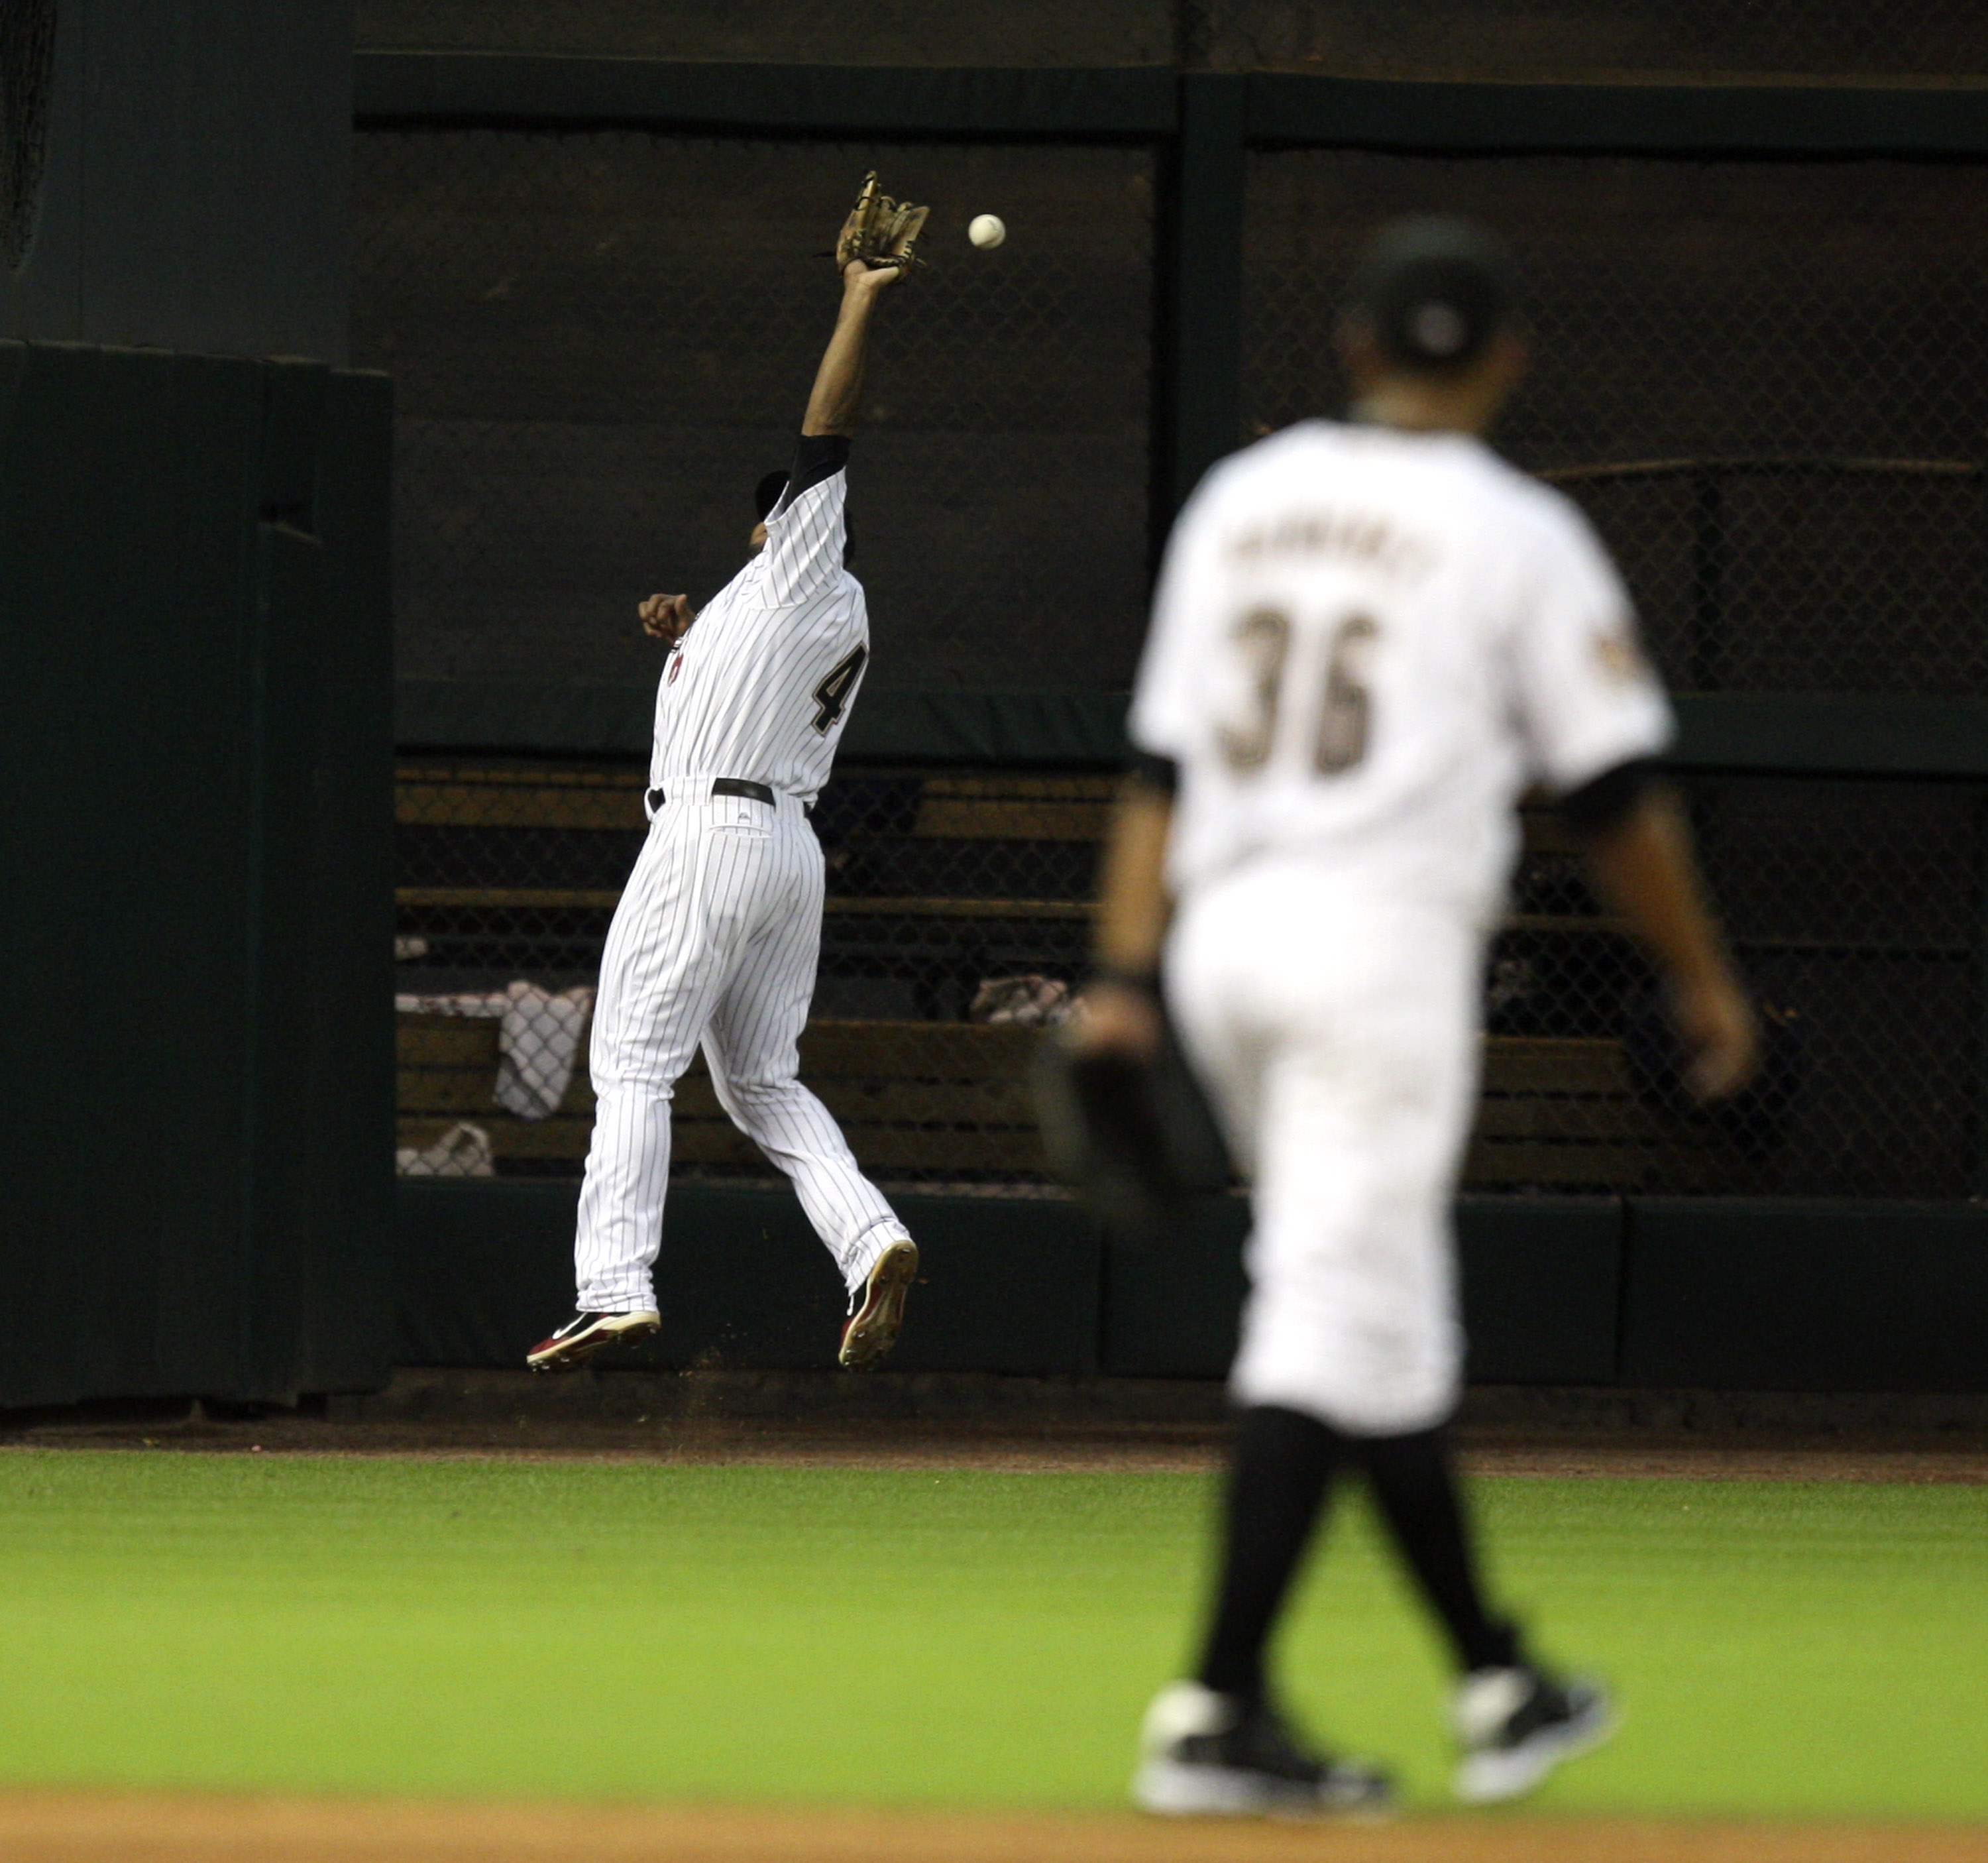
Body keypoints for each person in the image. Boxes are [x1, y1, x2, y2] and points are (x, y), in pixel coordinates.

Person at [1075, 217, 1758, 1815]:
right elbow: (1612, 794)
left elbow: (1161, 770)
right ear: (1508, 361)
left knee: (1369, 1324)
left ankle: (1501, 1676)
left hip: (1225, 940)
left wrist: (1119, 977)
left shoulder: (1244, 503)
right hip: (1377, 950)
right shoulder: (1516, 532)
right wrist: (1704, 975)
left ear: (1356, 348)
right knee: (1329, 1311)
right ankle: (1216, 1708)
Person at [528, 240, 921, 1375]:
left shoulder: (806, 558)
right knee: (760, 1082)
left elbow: (825, 434)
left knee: (634, 1067)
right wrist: (685, 632)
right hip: (786, 848)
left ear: (783, 526)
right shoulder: (798, 609)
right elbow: (747, 662)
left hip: (711, 836)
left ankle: (613, 1287)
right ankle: (873, 1239)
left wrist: (856, 298)